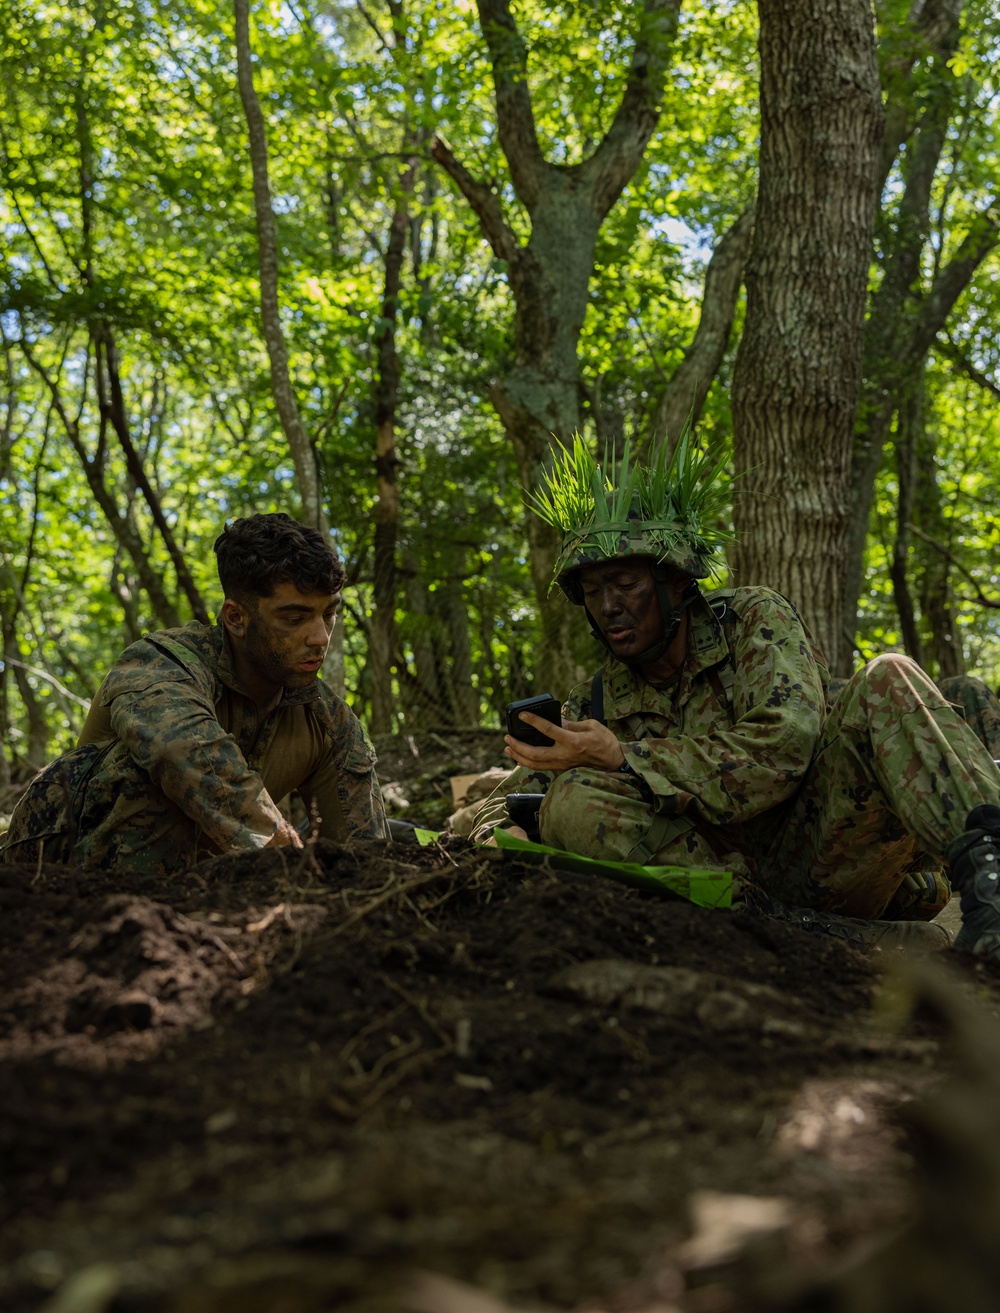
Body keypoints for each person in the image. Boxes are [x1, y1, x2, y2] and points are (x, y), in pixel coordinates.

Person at [478, 433, 1000, 952]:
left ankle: (992, 896)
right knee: (570, 802)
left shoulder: (752, 620)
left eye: (626, 584)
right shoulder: (594, 704)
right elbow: (503, 807)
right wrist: (509, 837)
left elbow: (786, 746)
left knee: (890, 674)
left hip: (822, 848)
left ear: (677, 581)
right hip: (731, 898)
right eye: (593, 592)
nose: (608, 605)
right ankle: (836, 938)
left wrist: (624, 757)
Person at [1, 513, 387, 874]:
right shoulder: (162, 662)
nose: (320, 637)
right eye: (294, 618)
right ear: (235, 618)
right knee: (151, 766)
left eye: (329, 614)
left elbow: (366, 854)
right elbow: (179, 749)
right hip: (48, 872)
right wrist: (282, 849)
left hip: (201, 901)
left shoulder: (328, 722)